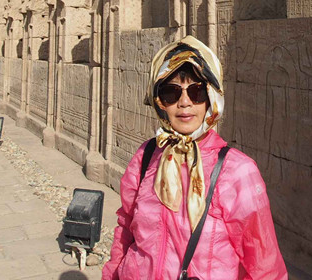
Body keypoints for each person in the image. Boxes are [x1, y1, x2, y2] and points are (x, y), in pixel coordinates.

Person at [102, 35, 288, 280]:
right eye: (171, 93)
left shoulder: (236, 170)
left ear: (211, 97)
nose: (184, 103)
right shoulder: (147, 155)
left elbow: (264, 263)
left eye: (196, 91)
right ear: (159, 101)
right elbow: (126, 228)